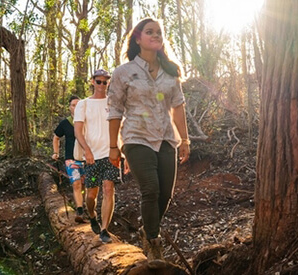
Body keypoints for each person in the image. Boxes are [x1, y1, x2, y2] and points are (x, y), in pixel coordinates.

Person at [107, 18, 190, 268]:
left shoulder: (171, 71)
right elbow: (114, 110)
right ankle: (153, 243)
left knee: (165, 193)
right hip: (135, 137)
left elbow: (178, 108)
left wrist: (184, 139)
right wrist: (113, 146)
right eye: (149, 31)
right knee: (151, 189)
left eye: (159, 32)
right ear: (138, 38)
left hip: (166, 138)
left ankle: (148, 227)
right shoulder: (124, 72)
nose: (155, 35)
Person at [74, 69, 120, 244]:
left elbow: (121, 127)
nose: (102, 85)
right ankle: (92, 215)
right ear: (92, 82)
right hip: (92, 156)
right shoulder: (83, 104)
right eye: (99, 81)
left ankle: (104, 229)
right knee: (91, 195)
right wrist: (87, 150)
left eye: (105, 81)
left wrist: (123, 152)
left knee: (109, 189)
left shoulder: (114, 102)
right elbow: (78, 130)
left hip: (111, 154)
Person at [52, 95, 86, 223]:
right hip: (71, 159)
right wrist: (56, 152)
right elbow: (56, 137)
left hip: (87, 158)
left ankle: (87, 208)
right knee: (76, 183)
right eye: (73, 105)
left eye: (78, 105)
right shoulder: (65, 123)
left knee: (87, 185)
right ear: (69, 107)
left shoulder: (87, 121)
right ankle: (80, 210)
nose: (76, 107)